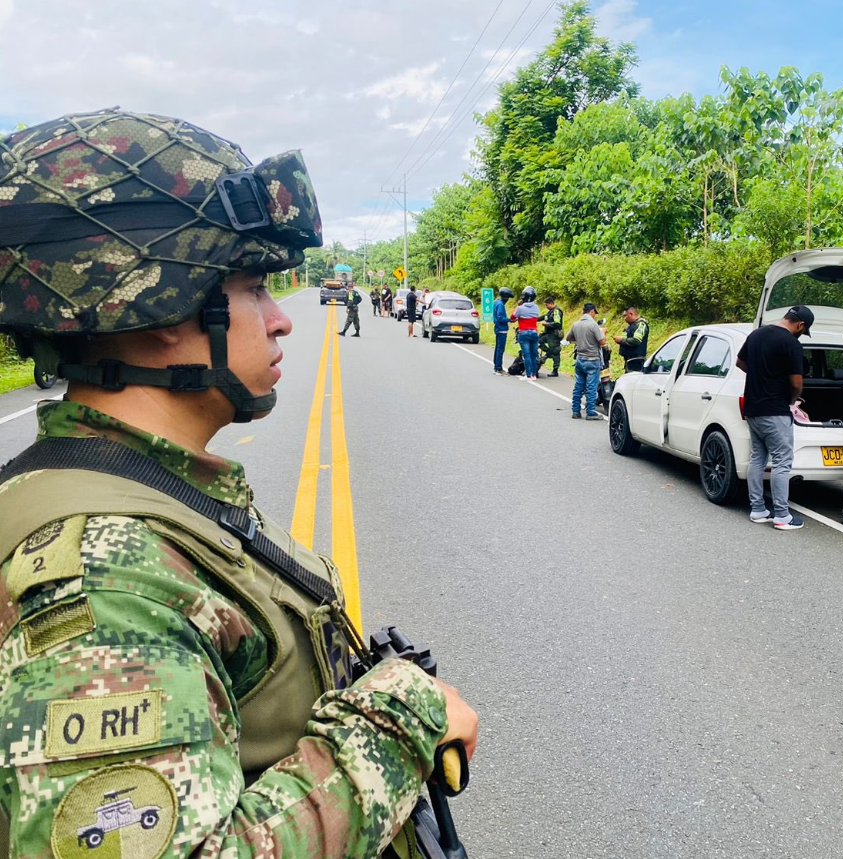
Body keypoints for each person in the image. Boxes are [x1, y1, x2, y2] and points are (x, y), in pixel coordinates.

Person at [0, 109, 477, 857]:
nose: (280, 320)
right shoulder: (107, 574)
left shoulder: (132, 493)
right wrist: (399, 718)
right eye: (253, 287)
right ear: (161, 304)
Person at [735, 306, 812, 531]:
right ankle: (782, 516)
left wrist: (761, 374)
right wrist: (791, 400)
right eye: (803, 331)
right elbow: (797, 384)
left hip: (753, 408)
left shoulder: (756, 334)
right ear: (800, 325)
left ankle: (758, 510)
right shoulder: (791, 343)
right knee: (782, 461)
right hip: (776, 410)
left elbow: (740, 363)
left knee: (758, 458)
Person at [566, 303, 607, 420]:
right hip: (592, 360)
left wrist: (579, 339)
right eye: (594, 313)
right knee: (591, 387)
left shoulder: (576, 324)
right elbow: (602, 342)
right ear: (592, 311)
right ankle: (590, 412)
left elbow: (568, 338)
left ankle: (575, 411)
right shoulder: (593, 325)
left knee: (578, 386)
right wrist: (603, 332)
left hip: (580, 359)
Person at [511, 286, 541, 380]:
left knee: (526, 355)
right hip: (534, 332)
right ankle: (534, 374)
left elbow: (512, 317)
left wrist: (518, 307)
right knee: (534, 355)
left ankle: (528, 375)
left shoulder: (520, 308)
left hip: (523, 333)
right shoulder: (536, 307)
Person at [614, 305, 650, 372]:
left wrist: (622, 340)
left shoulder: (640, 325)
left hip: (637, 361)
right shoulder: (632, 326)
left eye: (625, 316)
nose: (624, 318)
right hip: (630, 361)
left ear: (631, 314)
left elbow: (636, 340)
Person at [540, 296, 565, 377]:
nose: (546, 307)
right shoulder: (550, 311)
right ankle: (548, 353)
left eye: (547, 305)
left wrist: (546, 324)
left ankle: (555, 370)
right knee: (537, 340)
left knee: (555, 351)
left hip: (554, 335)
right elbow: (543, 317)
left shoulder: (556, 311)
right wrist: (533, 319)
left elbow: (557, 323)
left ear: (551, 303)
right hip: (547, 334)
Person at [492, 287, 512, 374]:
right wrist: (509, 320)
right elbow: (500, 318)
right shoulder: (500, 305)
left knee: (498, 348)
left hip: (498, 328)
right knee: (500, 349)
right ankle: (499, 368)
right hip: (501, 329)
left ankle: (496, 366)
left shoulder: (496, 302)